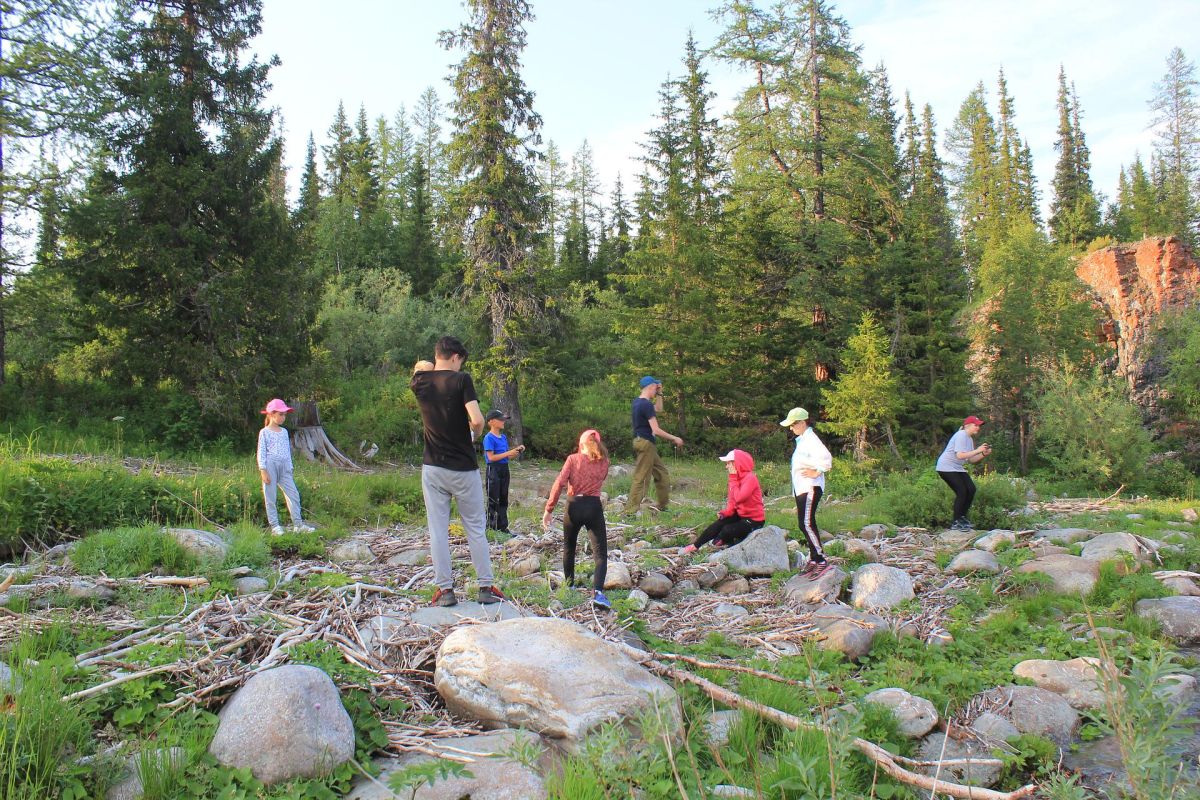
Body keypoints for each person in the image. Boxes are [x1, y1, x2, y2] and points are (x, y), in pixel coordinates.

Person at [411, 336, 504, 607]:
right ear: (455, 357)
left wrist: (428, 365)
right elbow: (476, 419)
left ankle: (445, 591)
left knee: (438, 529)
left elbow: (421, 367)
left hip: (433, 466)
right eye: (460, 360)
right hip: (463, 467)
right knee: (475, 528)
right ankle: (485, 587)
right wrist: (474, 433)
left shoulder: (419, 382)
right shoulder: (461, 380)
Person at [543, 429, 613, 610]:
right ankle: (598, 592)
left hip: (574, 506)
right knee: (600, 553)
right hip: (593, 507)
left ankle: (570, 585)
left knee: (569, 548)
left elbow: (559, 483)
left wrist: (549, 509)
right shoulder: (605, 461)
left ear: (581, 443)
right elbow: (602, 478)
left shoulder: (572, 460)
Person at [781, 407, 833, 577]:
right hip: (802, 488)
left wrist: (817, 471)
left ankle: (821, 560)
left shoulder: (811, 439)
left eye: (793, 424)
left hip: (810, 487)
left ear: (802, 423)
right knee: (804, 523)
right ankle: (813, 558)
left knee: (807, 523)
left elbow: (826, 459)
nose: (791, 428)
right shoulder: (803, 439)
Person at [681, 449, 765, 555]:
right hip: (741, 515)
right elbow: (732, 500)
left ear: (737, 464)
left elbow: (739, 498)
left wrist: (733, 479)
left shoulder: (750, 478)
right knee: (720, 523)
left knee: (727, 530)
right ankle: (695, 546)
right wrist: (727, 512)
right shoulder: (735, 478)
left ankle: (725, 542)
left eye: (728, 463)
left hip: (753, 521)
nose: (726, 466)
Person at [257, 398, 316, 536]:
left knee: (293, 494)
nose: (283, 417)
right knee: (270, 495)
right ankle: (275, 526)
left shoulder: (283, 432)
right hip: (270, 464)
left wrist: (289, 467)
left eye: (284, 415)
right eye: (281, 414)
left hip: (284, 466)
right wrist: (263, 469)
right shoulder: (264, 432)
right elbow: (261, 451)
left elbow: (287, 451)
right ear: (271, 414)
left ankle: (298, 524)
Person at [627, 376, 683, 513]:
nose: (656, 390)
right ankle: (630, 511)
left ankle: (662, 506)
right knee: (641, 477)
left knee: (662, 473)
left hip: (643, 442)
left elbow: (658, 408)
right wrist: (674, 438)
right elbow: (656, 430)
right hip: (646, 443)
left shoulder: (638, 402)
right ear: (651, 386)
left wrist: (660, 394)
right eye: (655, 388)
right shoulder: (645, 404)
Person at [936, 415, 992, 530]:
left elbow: (970, 460)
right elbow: (960, 455)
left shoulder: (969, 438)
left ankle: (962, 518)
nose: (978, 428)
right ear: (968, 426)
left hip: (956, 467)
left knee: (971, 489)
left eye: (979, 426)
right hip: (946, 467)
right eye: (976, 425)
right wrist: (978, 450)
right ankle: (956, 522)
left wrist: (982, 454)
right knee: (962, 491)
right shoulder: (961, 435)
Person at [483, 410, 524, 533]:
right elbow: (491, 457)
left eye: (504, 419)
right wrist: (508, 453)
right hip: (493, 470)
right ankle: (491, 527)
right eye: (500, 419)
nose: (503, 421)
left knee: (503, 498)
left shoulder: (503, 437)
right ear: (491, 421)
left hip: (504, 469)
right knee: (493, 499)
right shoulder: (488, 438)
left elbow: (507, 457)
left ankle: (503, 527)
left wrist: (516, 451)